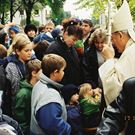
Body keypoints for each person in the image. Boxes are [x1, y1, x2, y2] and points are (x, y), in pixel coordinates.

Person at [98, 0, 135, 105]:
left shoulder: (130, 53)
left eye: (113, 39)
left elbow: (116, 91)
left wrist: (109, 60)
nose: (113, 43)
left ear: (120, 35)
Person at [30, 54, 71, 135]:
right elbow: (52, 125)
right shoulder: (49, 94)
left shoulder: (39, 84)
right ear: (55, 72)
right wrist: (68, 129)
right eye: (62, 70)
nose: (63, 73)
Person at [14, 59, 41, 135]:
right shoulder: (23, 94)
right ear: (34, 73)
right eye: (42, 72)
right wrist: (26, 131)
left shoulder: (39, 87)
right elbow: (20, 117)